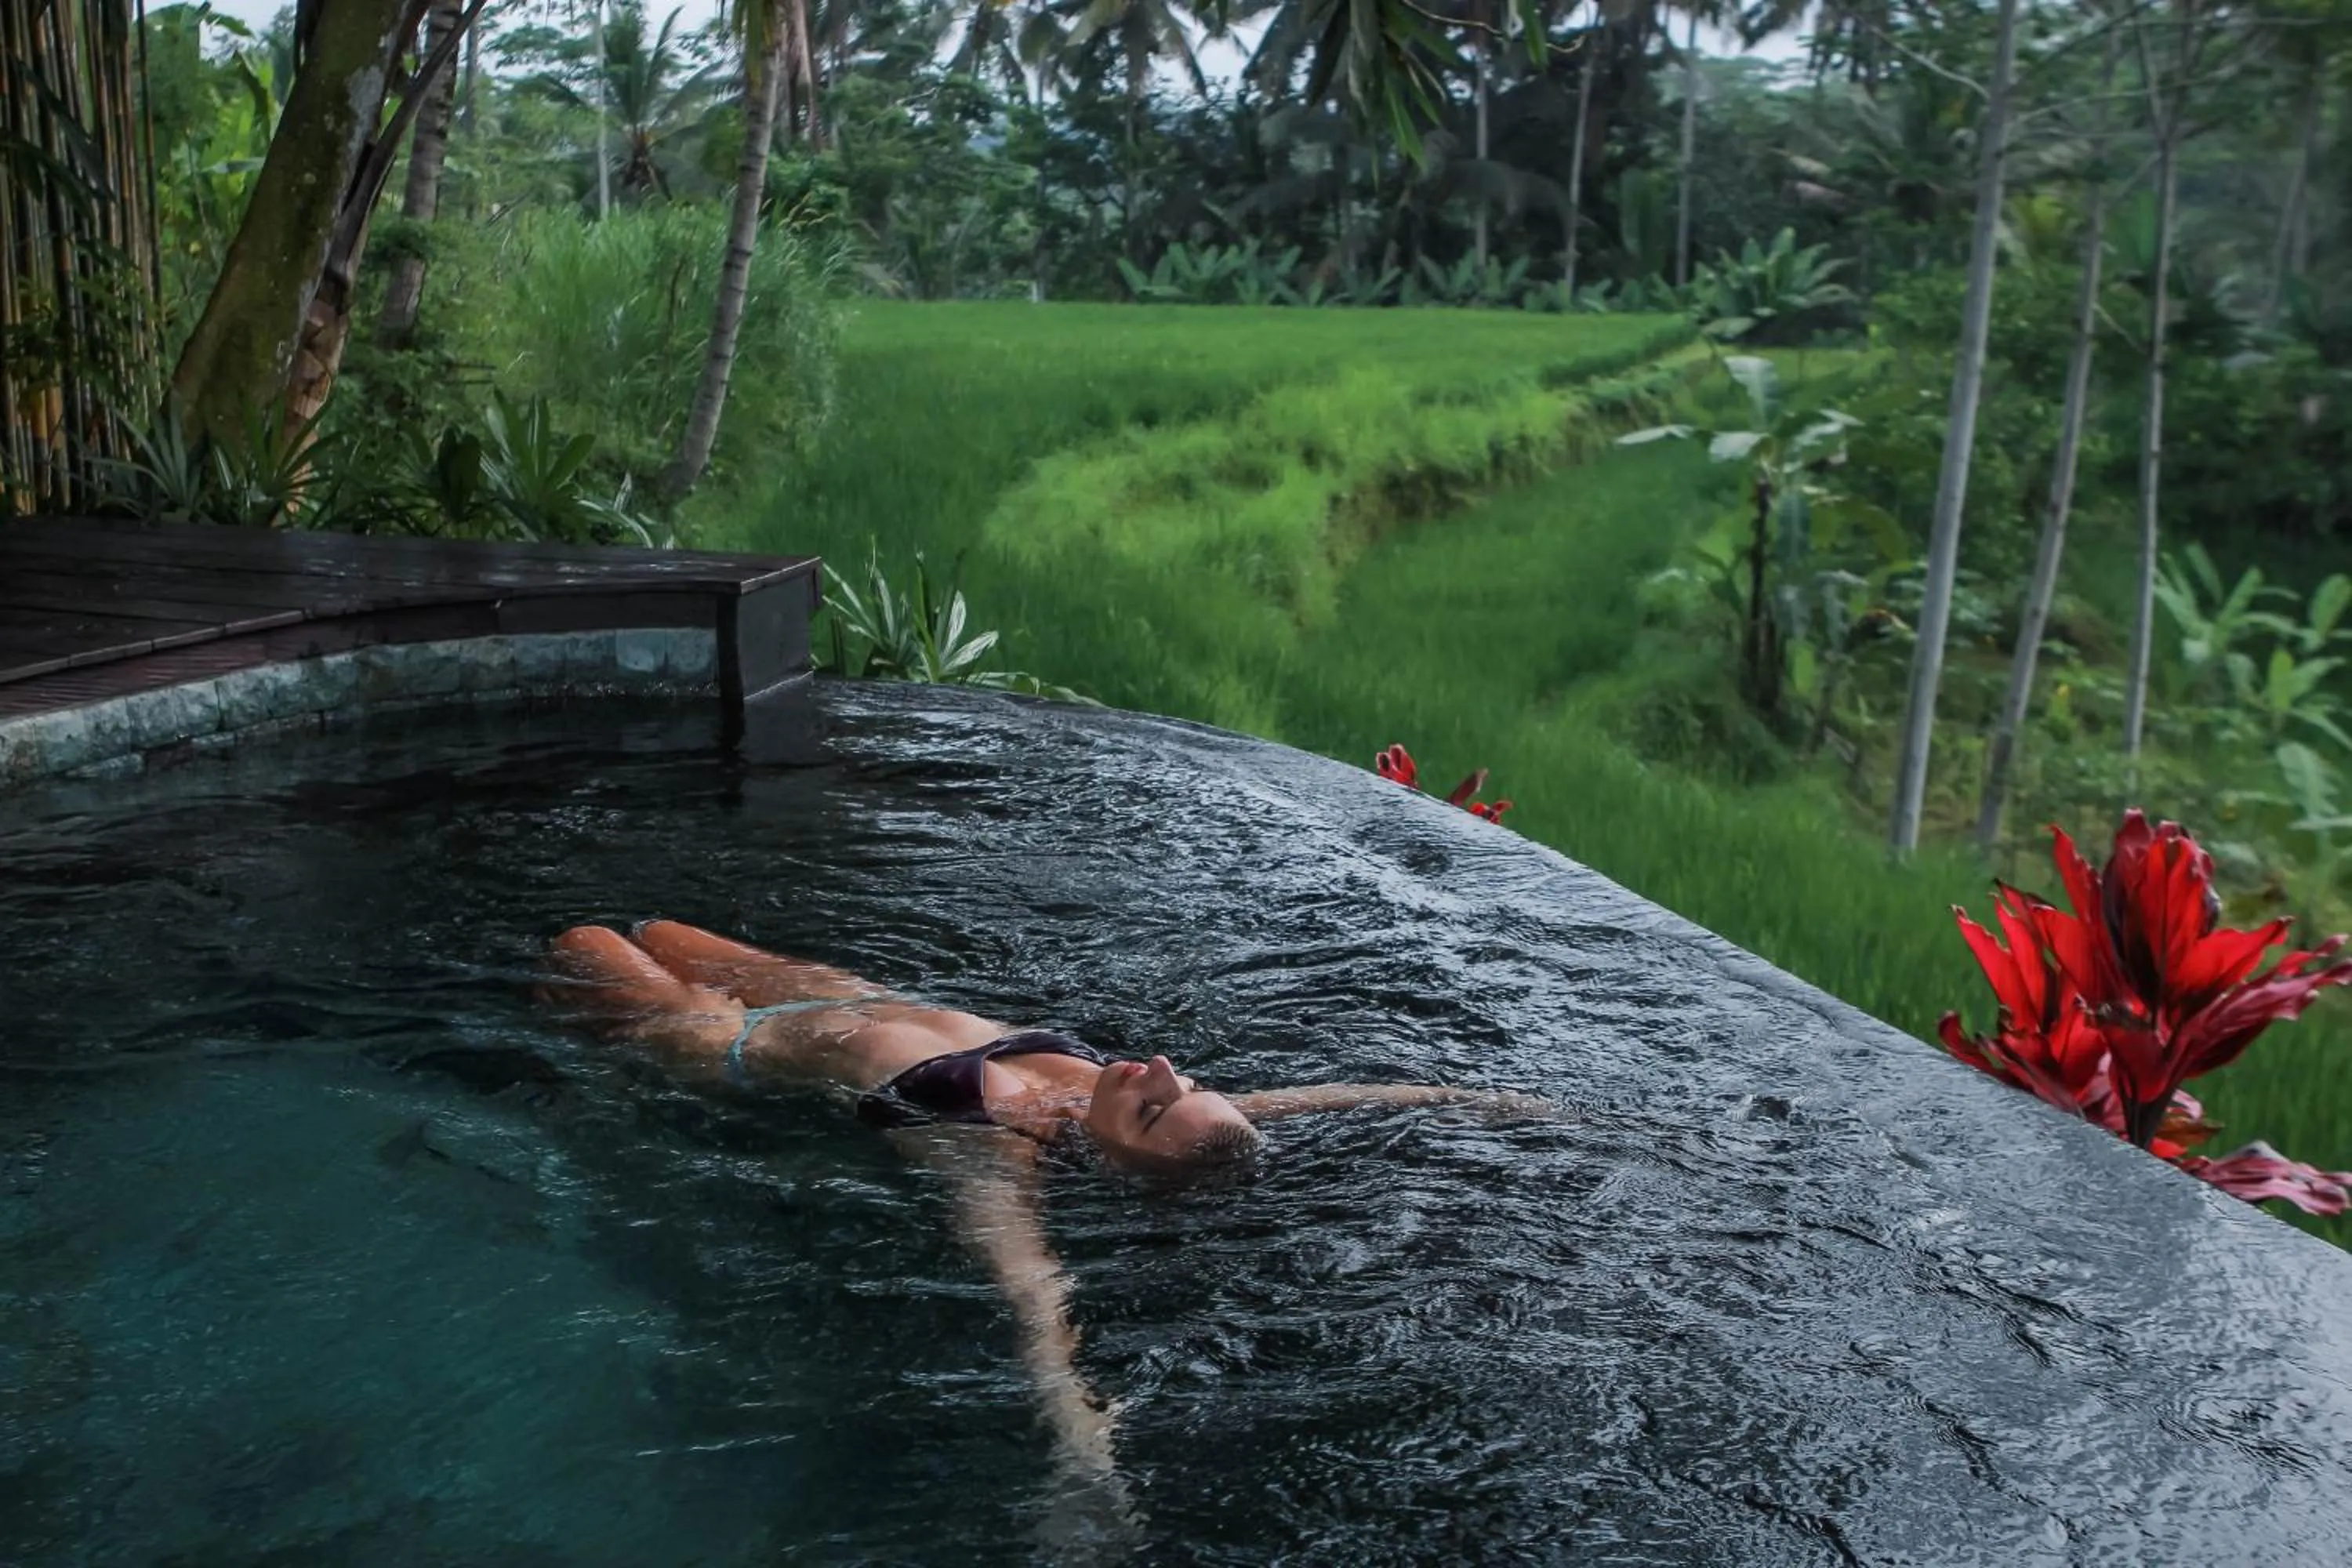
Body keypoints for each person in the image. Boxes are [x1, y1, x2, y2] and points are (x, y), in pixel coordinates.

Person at [541, 920, 1553, 1521]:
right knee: (665, 928)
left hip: (729, 1040)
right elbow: (1307, 1098)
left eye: (1154, 1102)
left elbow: (1034, 1294)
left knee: (582, 942)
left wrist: (1082, 1443)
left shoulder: (993, 1156)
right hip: (841, 994)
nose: (1155, 1069)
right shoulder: (1131, 1104)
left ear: (1124, 1157)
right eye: (1181, 1079)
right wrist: (1466, 1101)